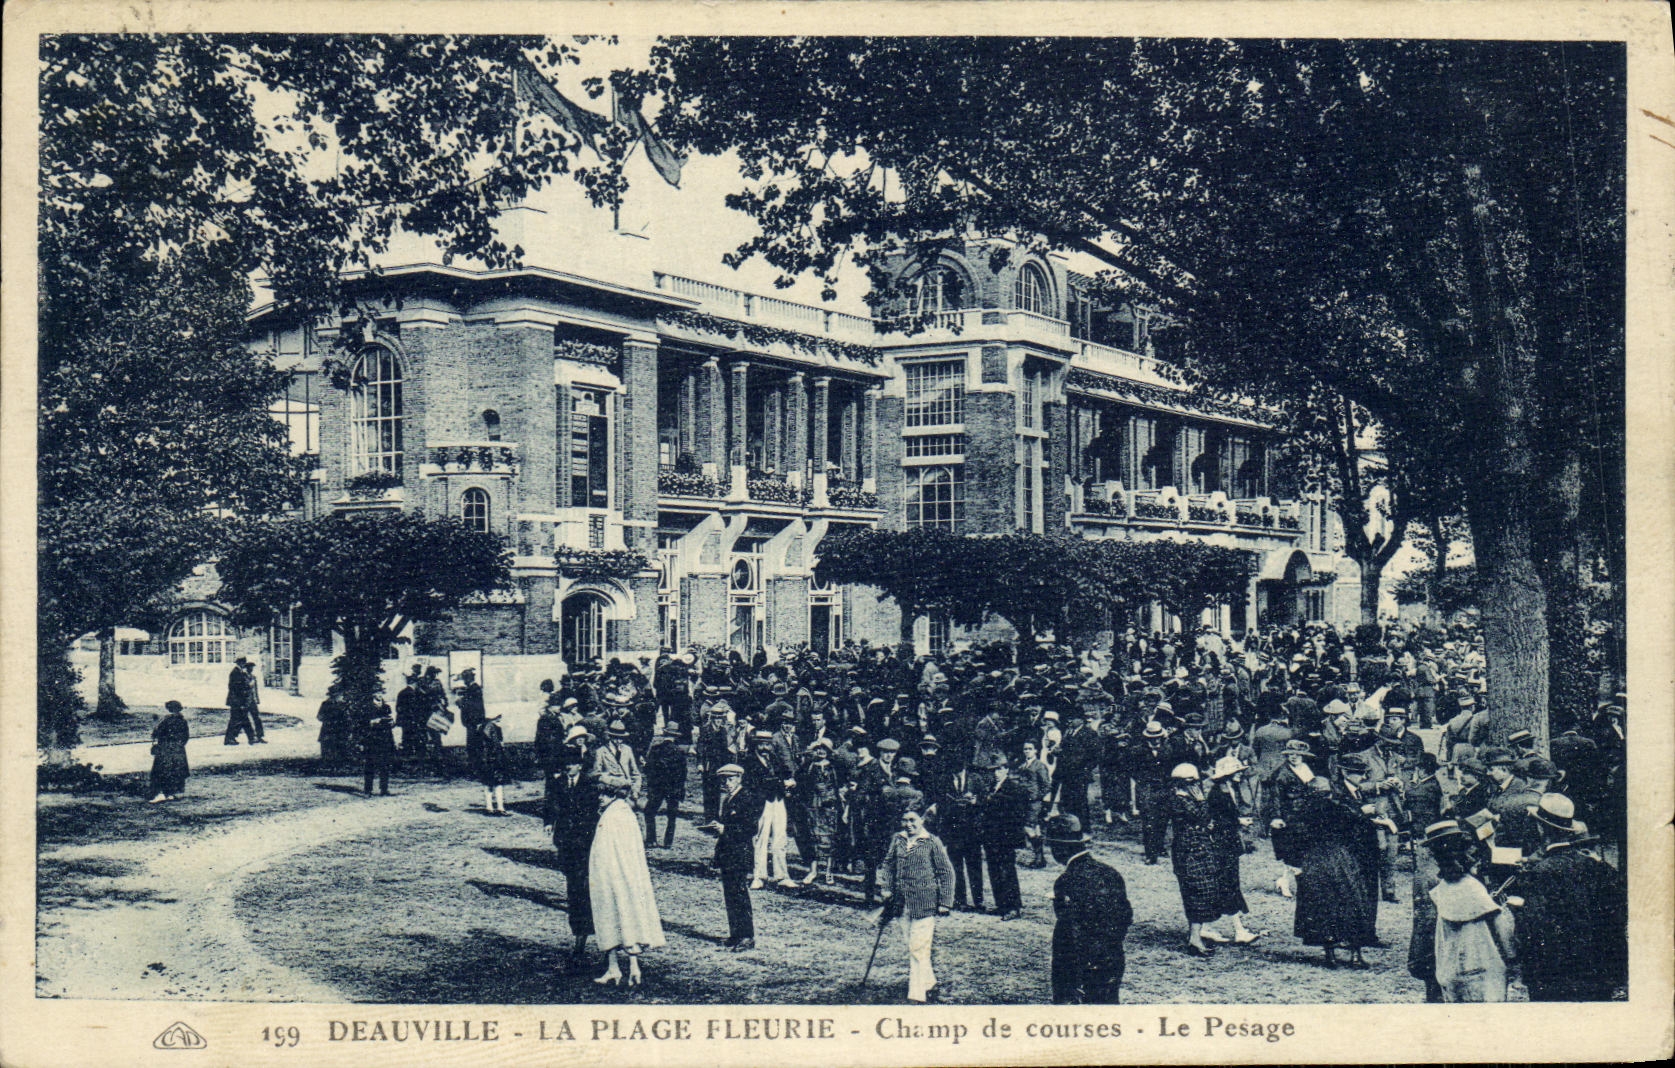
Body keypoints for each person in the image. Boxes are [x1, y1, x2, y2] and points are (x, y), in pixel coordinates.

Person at [1510, 793, 1627, 1001]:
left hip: (1554, 976)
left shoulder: (1540, 873)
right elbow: (1617, 914)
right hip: (1597, 973)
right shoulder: (1598, 867)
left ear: (1540, 828)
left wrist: (1519, 908)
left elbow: (1534, 928)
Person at [1289, 758, 1383, 968]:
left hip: (1315, 861)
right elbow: (1353, 822)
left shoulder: (1302, 811)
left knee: (1322, 907)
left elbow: (1294, 837)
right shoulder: (1335, 808)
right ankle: (1355, 954)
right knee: (1352, 902)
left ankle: (1330, 954)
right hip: (1339, 858)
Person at [1423, 820, 1516, 1002]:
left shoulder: (1438, 887)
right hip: (1481, 966)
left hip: (1448, 967)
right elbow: (1501, 927)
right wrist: (1513, 959)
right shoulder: (1471, 886)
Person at [1046, 814, 1132, 1004]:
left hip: (1079, 967)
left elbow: (1070, 932)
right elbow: (1125, 916)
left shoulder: (1066, 881)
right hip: (1112, 959)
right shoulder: (1110, 872)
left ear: (1059, 847)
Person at [588, 791, 666, 987]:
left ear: (615, 795)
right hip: (614, 876)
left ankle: (627, 967)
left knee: (619, 915)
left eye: (605, 793)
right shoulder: (618, 813)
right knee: (618, 916)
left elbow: (618, 852)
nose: (600, 796)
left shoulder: (617, 815)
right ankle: (620, 967)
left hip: (614, 876)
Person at [877, 807, 955, 1003]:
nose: (908, 825)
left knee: (918, 947)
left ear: (922, 819)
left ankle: (917, 994)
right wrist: (886, 886)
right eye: (905, 820)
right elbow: (888, 864)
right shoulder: (898, 839)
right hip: (901, 903)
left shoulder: (932, 842)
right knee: (912, 946)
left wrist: (945, 902)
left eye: (913, 820)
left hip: (925, 903)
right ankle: (929, 983)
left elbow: (946, 872)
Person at [551, 736, 599, 961]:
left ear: (579, 766)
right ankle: (580, 931)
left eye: (571, 765)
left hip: (584, 846)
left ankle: (584, 933)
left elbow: (590, 817)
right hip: (566, 844)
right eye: (565, 765)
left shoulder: (589, 786)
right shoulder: (559, 784)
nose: (568, 768)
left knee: (582, 889)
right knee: (573, 888)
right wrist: (549, 824)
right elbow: (551, 805)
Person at [744, 727, 797, 889]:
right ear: (756, 745)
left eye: (768, 744)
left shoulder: (774, 758)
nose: (766, 747)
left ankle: (782, 875)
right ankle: (759, 876)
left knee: (780, 838)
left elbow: (784, 772)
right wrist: (782, 782)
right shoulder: (749, 761)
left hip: (778, 801)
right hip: (762, 803)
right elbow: (755, 783)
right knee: (761, 839)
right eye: (762, 744)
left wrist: (788, 781)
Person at [714, 763, 759, 951]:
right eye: (724, 780)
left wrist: (725, 829)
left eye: (730, 779)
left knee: (740, 895)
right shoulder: (728, 799)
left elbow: (750, 827)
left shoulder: (746, 798)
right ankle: (735, 934)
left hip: (740, 853)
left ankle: (747, 936)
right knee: (730, 895)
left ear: (739, 778)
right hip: (728, 853)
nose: (727, 783)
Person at [979, 753, 1030, 920]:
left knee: (1007, 871)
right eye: (993, 770)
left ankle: (1013, 907)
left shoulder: (1012, 787)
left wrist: (989, 800)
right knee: (994, 870)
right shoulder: (993, 786)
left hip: (1005, 837)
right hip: (992, 836)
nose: (995, 773)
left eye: (999, 769)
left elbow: (1016, 810)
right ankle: (1001, 905)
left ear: (1006, 769)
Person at [642, 724, 688, 849]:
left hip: (658, 787)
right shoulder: (680, 752)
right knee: (672, 815)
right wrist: (680, 788)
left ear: (664, 734)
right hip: (674, 788)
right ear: (675, 736)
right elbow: (683, 773)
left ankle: (651, 840)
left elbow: (648, 769)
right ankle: (668, 842)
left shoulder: (656, 749)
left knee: (649, 812)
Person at [148, 700, 191, 803]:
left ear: (169, 709)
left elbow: (156, 734)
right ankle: (172, 793)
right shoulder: (183, 721)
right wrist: (179, 745)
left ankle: (161, 794)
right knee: (175, 771)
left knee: (162, 771)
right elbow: (186, 736)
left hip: (165, 749)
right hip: (178, 749)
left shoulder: (165, 720)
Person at [361, 694, 397, 797]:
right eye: (378, 692)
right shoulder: (367, 707)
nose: (380, 695)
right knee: (370, 765)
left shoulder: (386, 707)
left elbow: (392, 721)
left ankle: (384, 789)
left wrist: (391, 722)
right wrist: (372, 722)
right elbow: (362, 724)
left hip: (385, 739)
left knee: (385, 765)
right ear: (374, 695)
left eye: (382, 692)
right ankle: (368, 790)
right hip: (372, 740)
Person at [457, 667, 487, 777]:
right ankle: (476, 770)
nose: (464, 681)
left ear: (468, 679)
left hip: (474, 723)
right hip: (472, 723)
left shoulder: (474, 689)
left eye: (465, 678)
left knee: (474, 747)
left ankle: (477, 771)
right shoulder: (472, 688)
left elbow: (475, 707)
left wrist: (461, 702)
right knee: (473, 747)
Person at [477, 708, 507, 814]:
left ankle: (490, 807)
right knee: (498, 783)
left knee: (488, 783)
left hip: (486, 759)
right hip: (494, 759)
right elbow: (499, 745)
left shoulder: (481, 728)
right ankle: (500, 807)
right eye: (497, 717)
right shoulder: (494, 729)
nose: (499, 719)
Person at [223, 656, 258, 745]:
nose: (244, 665)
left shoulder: (239, 672)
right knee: (238, 720)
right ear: (240, 663)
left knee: (240, 720)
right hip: (236, 701)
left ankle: (247, 738)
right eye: (243, 663)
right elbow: (236, 688)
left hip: (237, 701)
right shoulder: (235, 672)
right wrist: (249, 686)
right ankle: (231, 739)